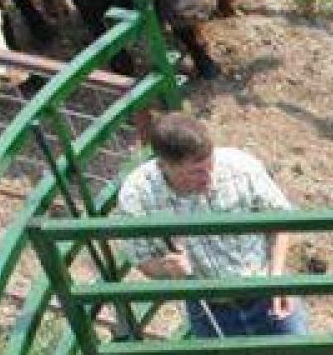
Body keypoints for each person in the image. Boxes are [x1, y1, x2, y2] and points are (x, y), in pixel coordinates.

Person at [111, 112, 308, 337]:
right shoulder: (137, 195)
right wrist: (167, 268)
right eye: (195, 172)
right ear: (165, 165)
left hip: (267, 294)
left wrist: (278, 279)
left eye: (210, 164)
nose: (209, 176)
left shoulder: (241, 167)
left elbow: (280, 221)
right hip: (207, 309)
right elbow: (143, 260)